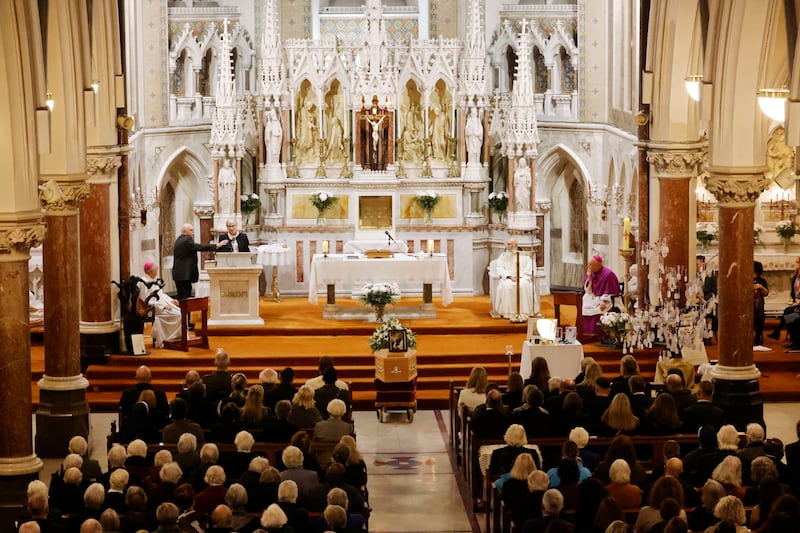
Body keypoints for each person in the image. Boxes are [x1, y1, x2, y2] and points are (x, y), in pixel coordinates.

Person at [172, 223, 227, 328]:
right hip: (183, 276)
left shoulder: (181, 239)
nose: (193, 232)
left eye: (193, 230)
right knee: (185, 301)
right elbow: (200, 247)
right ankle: (184, 325)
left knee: (185, 300)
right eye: (191, 230)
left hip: (181, 275)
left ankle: (185, 323)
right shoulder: (186, 240)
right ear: (185, 232)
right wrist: (217, 246)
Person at [138, 261, 182, 348]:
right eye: (156, 270)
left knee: (180, 312)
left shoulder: (153, 280)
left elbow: (161, 295)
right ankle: (168, 338)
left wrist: (172, 300)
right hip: (154, 309)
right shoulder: (144, 283)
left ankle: (175, 338)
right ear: (150, 272)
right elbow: (146, 300)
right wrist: (163, 307)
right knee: (178, 315)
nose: (157, 272)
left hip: (162, 306)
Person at [494, 237, 536, 319]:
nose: (508, 246)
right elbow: (500, 268)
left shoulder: (524, 256)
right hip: (508, 278)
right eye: (507, 244)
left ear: (516, 245)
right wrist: (509, 276)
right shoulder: (503, 256)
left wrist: (519, 276)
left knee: (523, 286)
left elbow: (528, 269)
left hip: (522, 277)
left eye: (510, 244)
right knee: (507, 286)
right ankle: (508, 313)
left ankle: (524, 312)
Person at [581, 254, 621, 339]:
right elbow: (588, 291)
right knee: (584, 307)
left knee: (599, 308)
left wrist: (603, 300)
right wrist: (589, 278)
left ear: (598, 265)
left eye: (591, 265)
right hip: (594, 297)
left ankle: (598, 334)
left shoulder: (608, 274)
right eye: (589, 264)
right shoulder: (591, 273)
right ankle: (587, 333)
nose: (589, 267)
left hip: (606, 299)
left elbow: (611, 291)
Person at [768, 255, 800, 341]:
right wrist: (795, 299)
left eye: (797, 262)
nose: (796, 264)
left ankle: (779, 333)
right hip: (797, 302)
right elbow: (794, 291)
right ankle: (793, 340)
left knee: (788, 314)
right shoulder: (796, 275)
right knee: (788, 314)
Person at [753, 260, 769, 345]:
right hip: (747, 304)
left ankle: (758, 335)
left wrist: (761, 288)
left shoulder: (762, 280)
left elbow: (766, 293)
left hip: (758, 305)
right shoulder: (745, 278)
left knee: (760, 316)